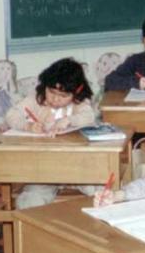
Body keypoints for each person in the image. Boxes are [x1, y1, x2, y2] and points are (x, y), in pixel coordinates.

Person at [6, 58, 96, 208]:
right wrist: (27, 126)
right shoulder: (35, 99)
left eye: (63, 96)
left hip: (77, 168)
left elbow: (89, 117)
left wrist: (69, 120)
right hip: (44, 171)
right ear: (44, 86)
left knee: (101, 191)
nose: (55, 99)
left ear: (76, 92)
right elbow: (11, 115)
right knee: (28, 202)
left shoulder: (80, 102)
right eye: (51, 92)